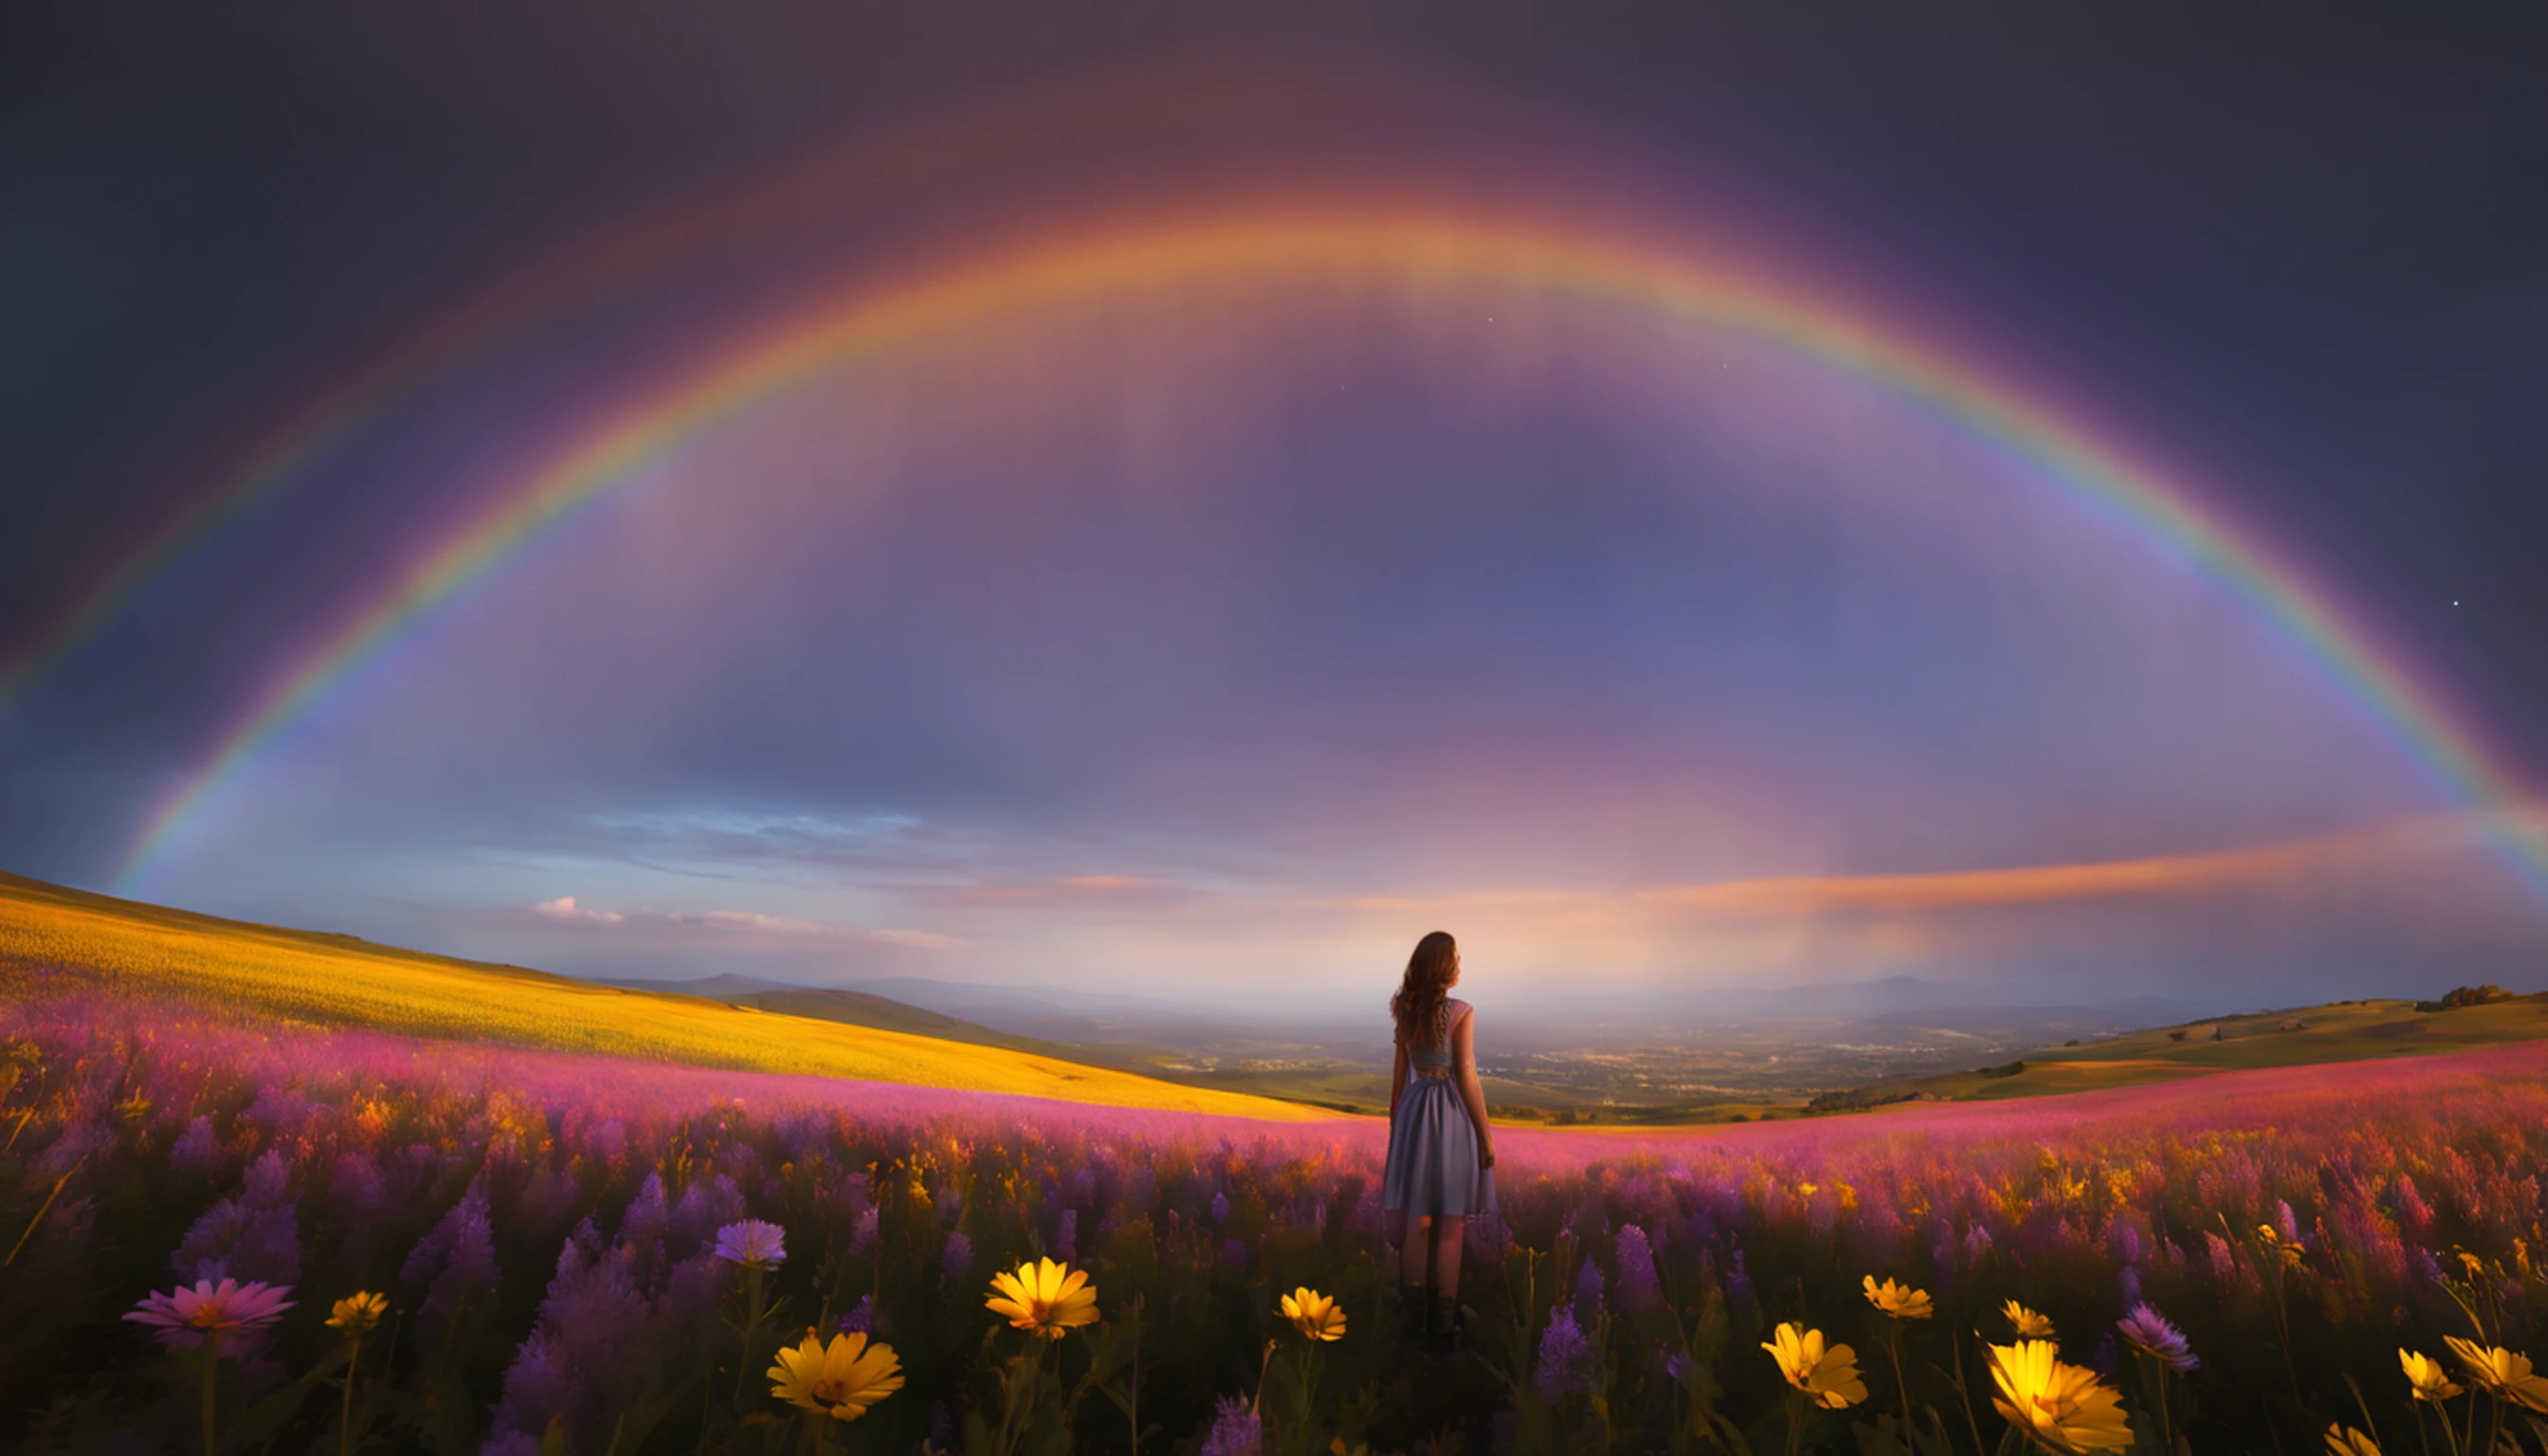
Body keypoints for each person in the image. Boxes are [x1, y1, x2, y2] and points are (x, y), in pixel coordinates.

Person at [1380, 930, 1496, 1351]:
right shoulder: (1461, 1012)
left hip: (1413, 1113)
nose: (1461, 963)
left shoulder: (1404, 1010)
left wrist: (1398, 1133)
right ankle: (1444, 1327)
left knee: (1418, 1220)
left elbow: (1397, 1082)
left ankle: (1413, 1323)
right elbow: (1466, 1076)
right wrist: (1484, 1136)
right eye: (1456, 957)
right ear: (1445, 966)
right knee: (1451, 1222)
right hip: (1448, 1115)